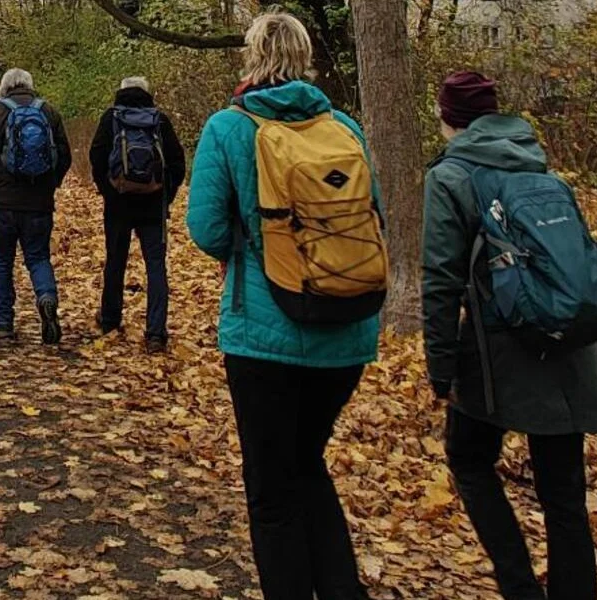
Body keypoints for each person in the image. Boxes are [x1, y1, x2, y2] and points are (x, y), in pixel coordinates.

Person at [185, 13, 383, 599]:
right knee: (307, 464)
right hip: (347, 330)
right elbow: (371, 215)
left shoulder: (229, 127)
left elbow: (205, 228)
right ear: (305, 56)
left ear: (251, 56)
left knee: (272, 491)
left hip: (263, 335)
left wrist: (252, 247)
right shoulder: (343, 126)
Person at [423, 71, 597, 600]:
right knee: (565, 495)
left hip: (496, 350)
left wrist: (440, 366)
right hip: (570, 344)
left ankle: (519, 586)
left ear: (448, 118)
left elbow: (441, 277)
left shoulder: (452, 176)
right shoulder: (543, 171)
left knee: (468, 458)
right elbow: (584, 269)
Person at [88, 76, 186, 354]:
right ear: (147, 93)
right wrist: (166, 195)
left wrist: (108, 191)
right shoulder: (159, 120)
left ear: (120, 91)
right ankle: (156, 332)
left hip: (118, 205)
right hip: (153, 206)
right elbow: (178, 162)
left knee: (115, 261)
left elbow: (96, 157)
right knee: (156, 267)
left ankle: (110, 320)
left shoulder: (111, 118)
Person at [0, 68, 71, 344]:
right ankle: (46, 297)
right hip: (40, 202)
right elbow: (63, 154)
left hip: (5, 202)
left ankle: (4, 321)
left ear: (5, 87)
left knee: (3, 261)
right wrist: (51, 183)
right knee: (38, 256)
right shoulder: (49, 111)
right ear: (30, 86)